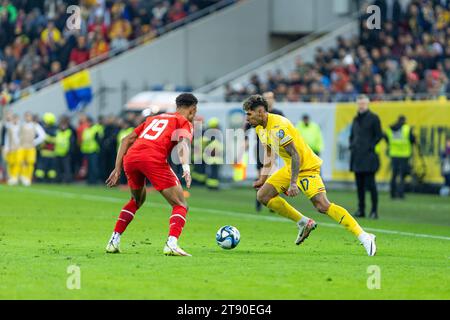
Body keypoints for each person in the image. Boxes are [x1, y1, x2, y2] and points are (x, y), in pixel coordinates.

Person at [243, 95, 377, 256]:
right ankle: (303, 222)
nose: (247, 118)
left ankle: (364, 236)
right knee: (263, 195)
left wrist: (293, 184)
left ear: (260, 112)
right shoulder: (259, 128)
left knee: (322, 205)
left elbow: (295, 155)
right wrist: (262, 179)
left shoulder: (279, 127)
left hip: (305, 167)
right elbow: (270, 154)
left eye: (249, 114)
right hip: (290, 168)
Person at [105, 93, 197, 257]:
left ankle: (113, 241)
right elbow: (183, 143)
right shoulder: (183, 122)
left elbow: (126, 139)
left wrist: (117, 168)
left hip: (131, 158)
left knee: (136, 200)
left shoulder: (154, 118)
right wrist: (186, 168)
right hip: (153, 159)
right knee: (181, 205)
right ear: (193, 109)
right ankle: (171, 244)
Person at [245, 91, 284, 211]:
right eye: (266, 98)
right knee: (260, 175)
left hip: (274, 147)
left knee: (272, 174)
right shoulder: (256, 113)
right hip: (260, 147)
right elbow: (246, 126)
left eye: (270, 98)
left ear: (274, 99)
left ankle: (272, 203)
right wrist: (245, 140)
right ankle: (258, 202)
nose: (269, 100)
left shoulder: (278, 114)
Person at [349, 95, 383, 219]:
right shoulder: (355, 119)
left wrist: (370, 146)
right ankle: (361, 209)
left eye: (363, 103)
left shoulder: (374, 118)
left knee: (371, 185)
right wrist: (352, 145)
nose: (361, 105)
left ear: (367, 104)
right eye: (359, 103)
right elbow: (352, 135)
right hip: (357, 156)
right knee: (359, 186)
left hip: (369, 157)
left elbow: (379, 135)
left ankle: (374, 211)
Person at [385, 115, 415, 199]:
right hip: (404, 155)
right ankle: (400, 193)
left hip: (394, 154)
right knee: (402, 176)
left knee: (394, 175)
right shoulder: (406, 129)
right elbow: (412, 139)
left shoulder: (391, 128)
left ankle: (392, 193)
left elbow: (385, 137)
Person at [18, 112, 46, 186]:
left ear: (31, 117)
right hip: (22, 146)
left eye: (29, 116)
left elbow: (43, 136)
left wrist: (34, 142)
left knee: (30, 162)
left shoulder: (35, 125)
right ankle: (22, 176)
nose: (27, 118)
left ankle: (28, 177)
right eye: (26, 116)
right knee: (21, 162)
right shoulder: (22, 125)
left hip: (31, 147)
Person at [35, 112, 58, 183]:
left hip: (45, 152)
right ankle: (51, 180)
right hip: (52, 153)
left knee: (41, 168)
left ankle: (40, 180)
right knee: (51, 168)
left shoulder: (46, 130)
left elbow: (44, 138)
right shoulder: (55, 129)